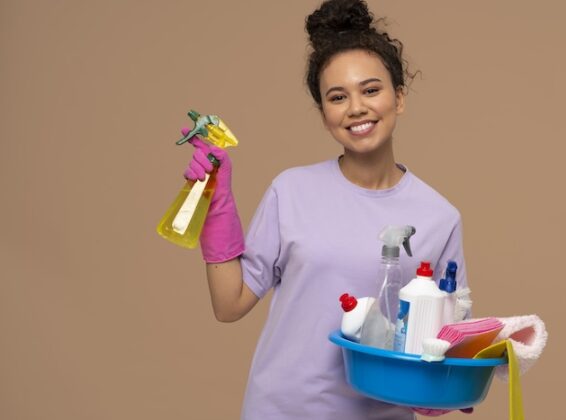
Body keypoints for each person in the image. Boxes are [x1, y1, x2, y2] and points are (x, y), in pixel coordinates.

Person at [182, 0, 470, 418]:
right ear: (324, 113)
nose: (356, 107)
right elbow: (229, 305)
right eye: (338, 97)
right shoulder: (291, 190)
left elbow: (446, 339)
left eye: (371, 90)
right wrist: (217, 205)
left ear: (399, 97)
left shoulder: (439, 217)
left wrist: (446, 390)